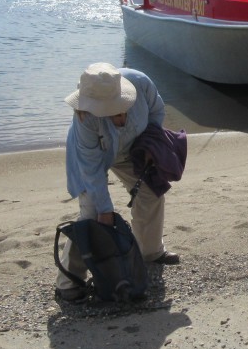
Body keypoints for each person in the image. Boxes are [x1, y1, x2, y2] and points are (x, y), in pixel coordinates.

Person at [58, 63, 180, 303]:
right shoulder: (85, 120)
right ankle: (68, 282)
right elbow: (92, 171)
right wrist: (105, 211)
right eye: (113, 113)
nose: (121, 118)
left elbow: (157, 111)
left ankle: (151, 252)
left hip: (132, 149)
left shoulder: (141, 82)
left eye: (122, 109)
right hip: (93, 156)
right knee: (91, 215)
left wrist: (150, 143)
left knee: (151, 194)